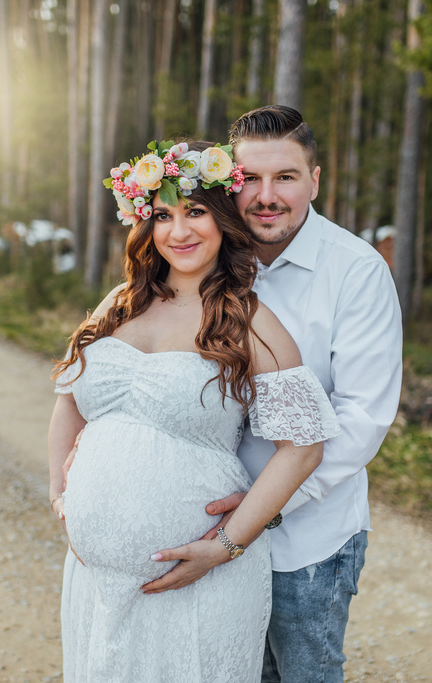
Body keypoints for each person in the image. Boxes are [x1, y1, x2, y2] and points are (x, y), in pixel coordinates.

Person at [47, 139, 341, 682]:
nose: (179, 231)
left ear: (223, 218)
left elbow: (302, 448)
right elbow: (69, 400)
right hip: (96, 579)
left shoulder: (249, 320)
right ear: (145, 224)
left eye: (196, 212)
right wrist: (61, 497)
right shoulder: (121, 302)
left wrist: (227, 546)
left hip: (203, 584)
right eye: (163, 214)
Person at [142, 106, 404, 682]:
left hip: (306, 539)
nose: (266, 196)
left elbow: (363, 415)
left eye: (284, 177)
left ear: (315, 180)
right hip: (199, 524)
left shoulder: (355, 271)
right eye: (250, 180)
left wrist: (266, 504)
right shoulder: (204, 264)